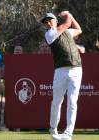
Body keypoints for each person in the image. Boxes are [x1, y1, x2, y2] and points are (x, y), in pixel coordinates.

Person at [41, 11, 83, 140]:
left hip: (76, 69)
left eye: (50, 20)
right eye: (45, 22)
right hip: (61, 70)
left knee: (72, 102)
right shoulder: (49, 34)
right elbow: (67, 23)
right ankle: (53, 128)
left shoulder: (67, 32)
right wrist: (68, 15)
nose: (48, 23)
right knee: (57, 102)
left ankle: (68, 133)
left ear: (55, 20)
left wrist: (71, 15)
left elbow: (78, 29)